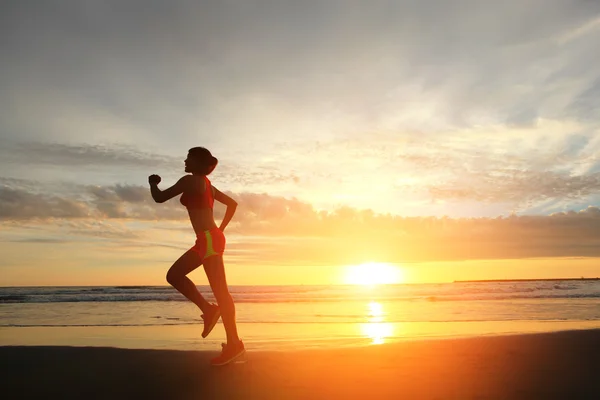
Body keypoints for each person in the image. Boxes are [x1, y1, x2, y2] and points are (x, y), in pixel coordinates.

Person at [148, 147, 244, 366]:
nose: (184, 160)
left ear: (197, 162)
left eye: (188, 157)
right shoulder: (208, 185)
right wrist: (220, 229)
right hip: (206, 240)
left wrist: (153, 182)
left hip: (209, 239)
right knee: (174, 275)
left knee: (221, 292)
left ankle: (234, 345)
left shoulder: (190, 180)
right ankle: (209, 310)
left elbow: (160, 198)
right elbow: (233, 204)